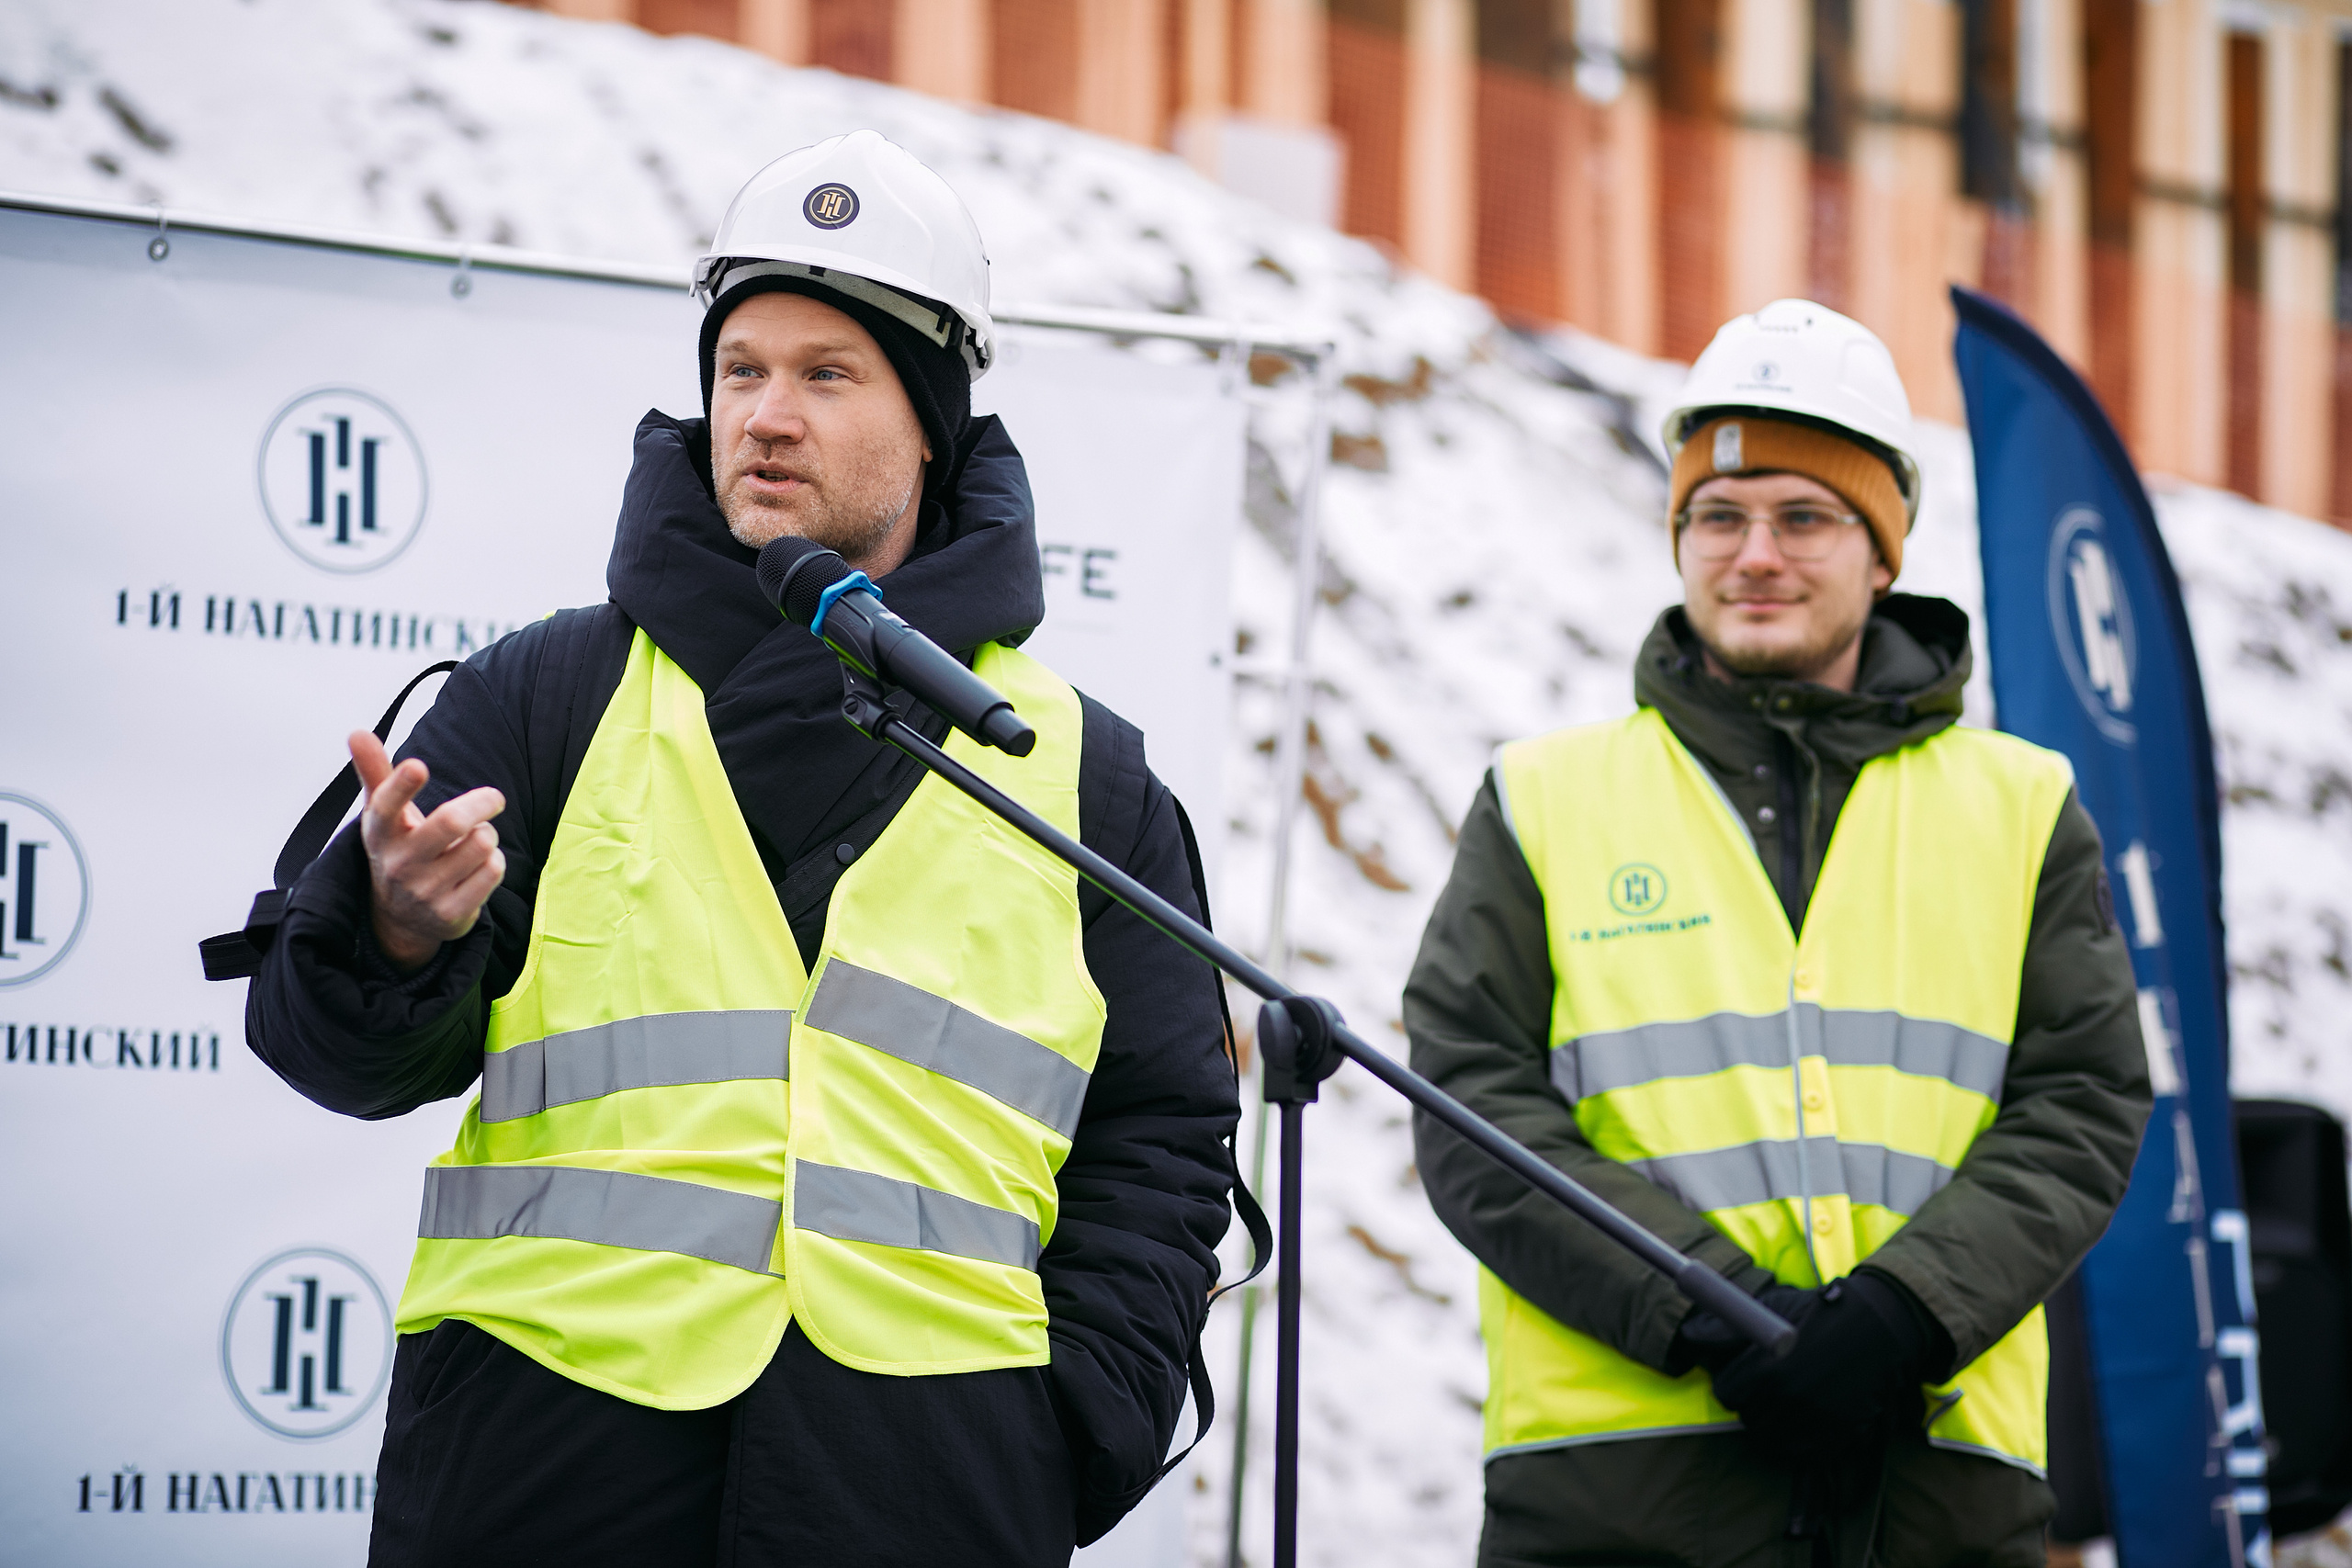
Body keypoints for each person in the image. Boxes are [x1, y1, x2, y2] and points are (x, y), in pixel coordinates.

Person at [245, 130, 1238, 1567]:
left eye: (828, 375)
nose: (767, 415)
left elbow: (1164, 1128)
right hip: (544, 1453)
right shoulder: (547, 694)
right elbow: (333, 1058)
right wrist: (397, 934)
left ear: (932, 427)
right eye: (742, 371)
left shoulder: (1088, 770)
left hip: (930, 1471)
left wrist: (1074, 1423)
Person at [1404, 299, 2153, 1567]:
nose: (1753, 554)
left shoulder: (2023, 807)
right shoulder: (1543, 797)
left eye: (1804, 517)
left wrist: (1909, 1316)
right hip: (1617, 1496)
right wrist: (1709, 1313)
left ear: (1885, 553)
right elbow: (1473, 1103)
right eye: (1718, 516)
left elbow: (2082, 1103)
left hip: (1937, 1489)